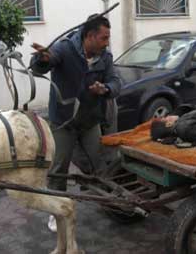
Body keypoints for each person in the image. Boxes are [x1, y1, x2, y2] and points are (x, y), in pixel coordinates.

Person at [30, 16, 121, 230]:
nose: (107, 42)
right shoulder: (65, 49)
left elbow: (116, 82)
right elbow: (42, 66)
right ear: (89, 36)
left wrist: (105, 89)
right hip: (64, 121)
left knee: (100, 161)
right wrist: (43, 59)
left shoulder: (104, 56)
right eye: (103, 38)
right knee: (59, 168)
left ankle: (105, 200)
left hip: (89, 120)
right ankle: (56, 211)